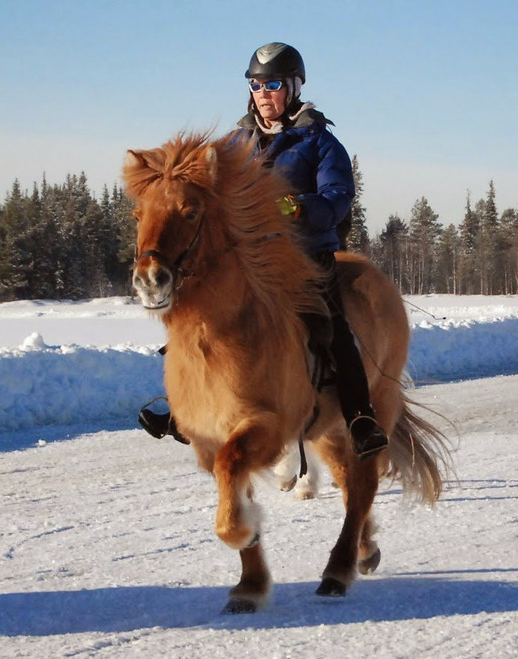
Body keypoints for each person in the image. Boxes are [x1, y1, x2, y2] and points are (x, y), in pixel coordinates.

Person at [139, 42, 388, 459]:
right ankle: (186, 409)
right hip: (248, 260)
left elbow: (338, 198)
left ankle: (360, 416)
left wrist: (298, 207)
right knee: (195, 318)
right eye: (256, 85)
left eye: (272, 84)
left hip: (305, 256)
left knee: (329, 325)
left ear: (292, 88)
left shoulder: (320, 143)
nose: (263, 93)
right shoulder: (234, 144)